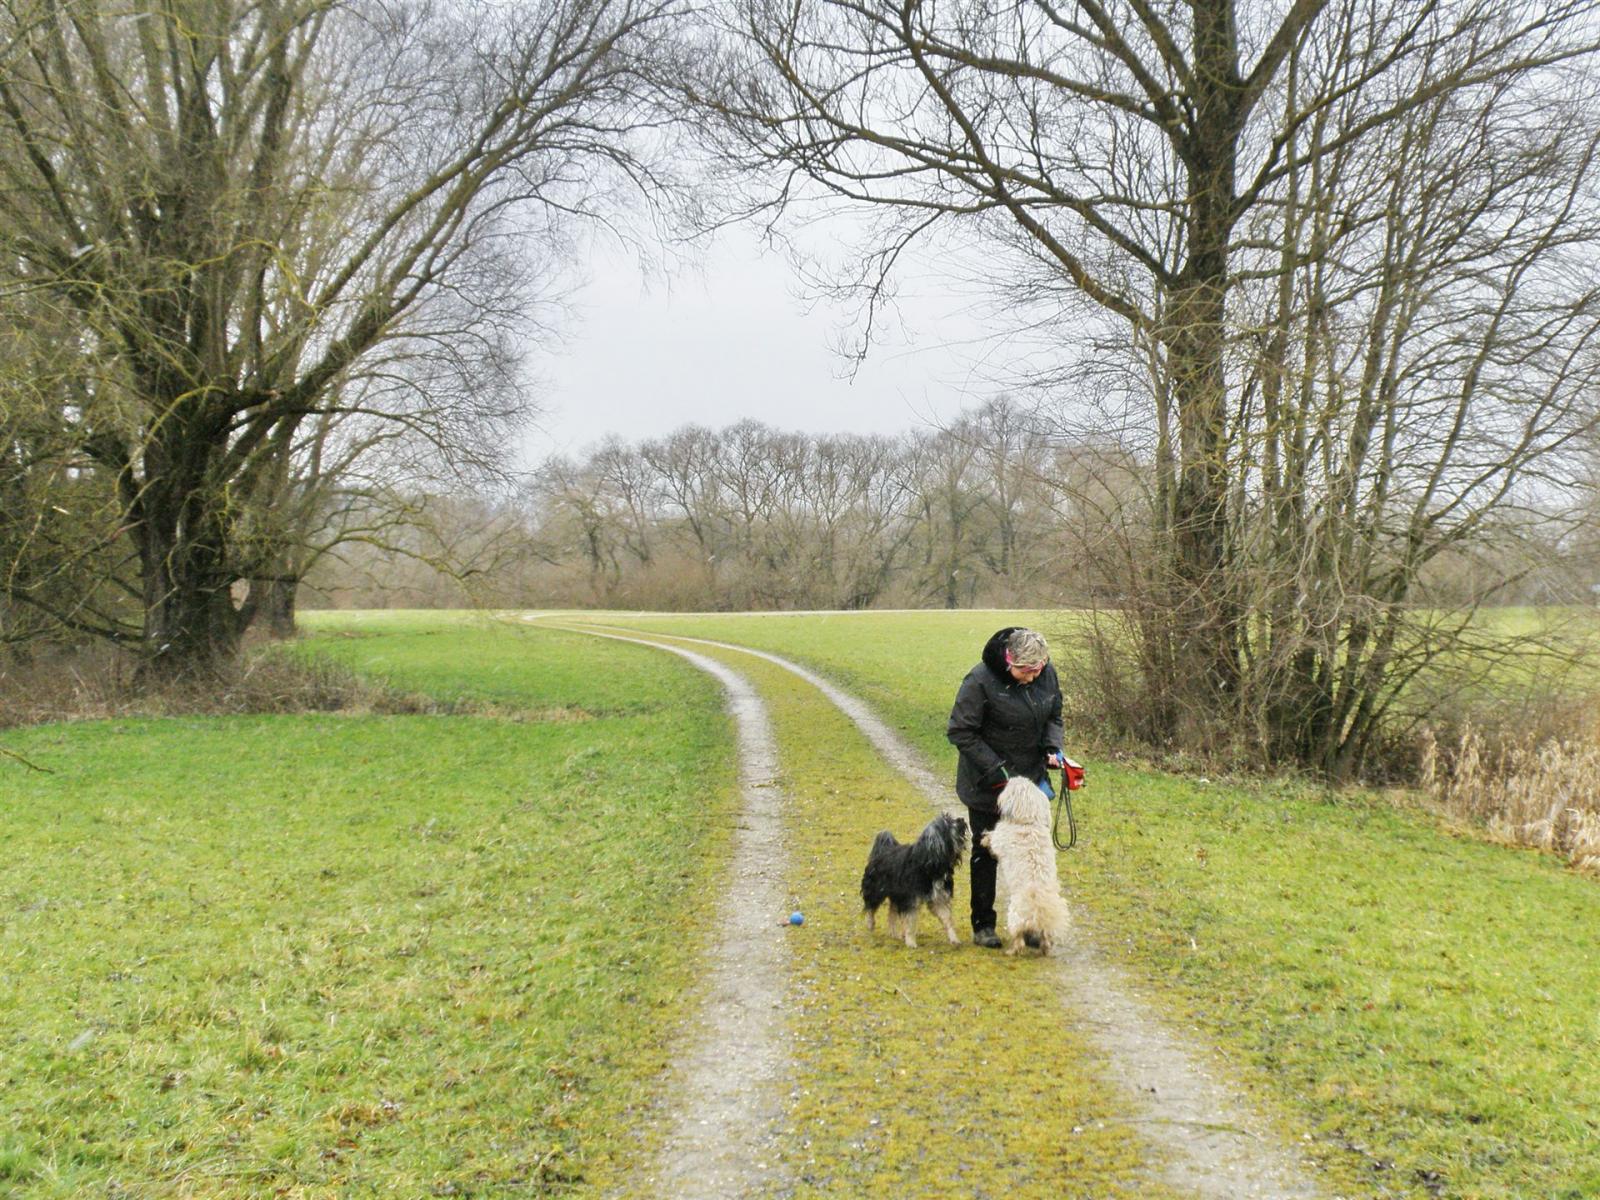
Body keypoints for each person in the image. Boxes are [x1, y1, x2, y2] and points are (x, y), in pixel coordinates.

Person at [946, 626, 1066, 949]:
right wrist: (995, 767)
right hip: (988, 781)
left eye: (1037, 671)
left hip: (1031, 785)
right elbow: (960, 731)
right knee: (986, 853)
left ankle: (1035, 923)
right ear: (1009, 660)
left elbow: (1055, 714)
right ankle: (983, 924)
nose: (1032, 678)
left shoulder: (1045, 674)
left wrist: (1053, 749)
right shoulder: (980, 681)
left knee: (1032, 855)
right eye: (1026, 671)